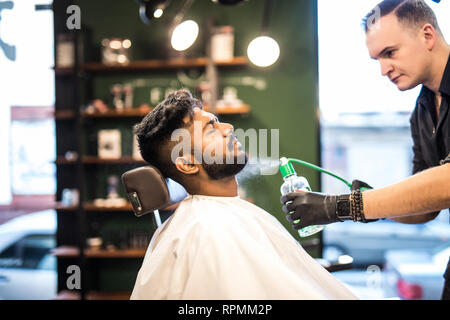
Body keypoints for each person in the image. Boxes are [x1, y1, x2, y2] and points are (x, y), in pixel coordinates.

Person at [281, 0, 450, 299]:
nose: (384, 69)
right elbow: (426, 209)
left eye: (390, 53)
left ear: (427, 35)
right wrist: (369, 206)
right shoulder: (422, 111)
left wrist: (343, 205)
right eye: (377, 59)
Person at [130, 89, 358, 300]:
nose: (227, 127)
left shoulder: (215, 217)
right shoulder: (209, 230)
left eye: (217, 121)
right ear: (188, 163)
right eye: (211, 128)